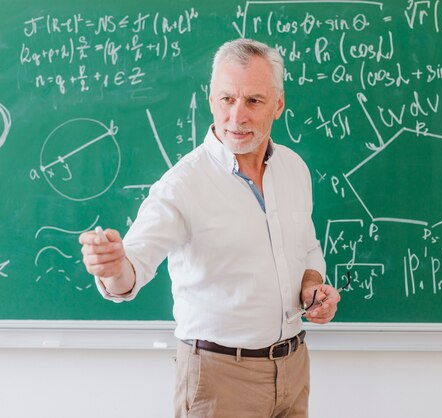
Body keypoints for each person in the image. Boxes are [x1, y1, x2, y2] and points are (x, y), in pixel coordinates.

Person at [79, 38, 341, 418]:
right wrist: (112, 267)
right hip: (219, 380)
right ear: (211, 100)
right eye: (227, 99)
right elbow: (131, 272)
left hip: (293, 369)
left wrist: (311, 286)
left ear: (278, 105)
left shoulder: (294, 170)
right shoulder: (182, 185)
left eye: (254, 101)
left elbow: (308, 247)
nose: (237, 116)